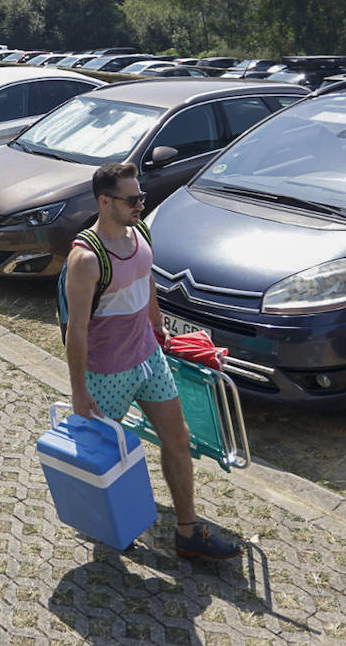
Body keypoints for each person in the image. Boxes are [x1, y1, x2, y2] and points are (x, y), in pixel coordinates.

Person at [63, 162, 242, 560]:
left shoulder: (140, 232)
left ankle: (188, 532)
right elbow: (76, 330)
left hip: (148, 358)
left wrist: (159, 331)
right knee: (104, 455)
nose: (140, 205)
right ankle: (107, 527)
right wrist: (78, 390)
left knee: (177, 437)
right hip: (107, 373)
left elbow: (146, 282)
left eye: (141, 197)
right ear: (105, 201)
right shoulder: (86, 259)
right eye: (132, 200)